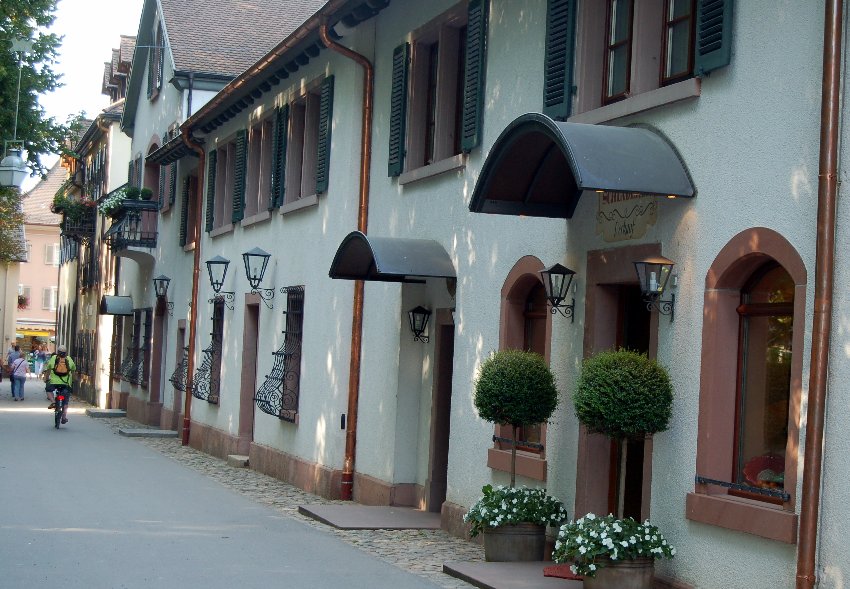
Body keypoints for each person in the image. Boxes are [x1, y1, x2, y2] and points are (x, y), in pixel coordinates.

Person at [44, 345, 75, 424]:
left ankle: (53, 401)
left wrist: (46, 379)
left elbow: (48, 369)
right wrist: (72, 380)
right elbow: (73, 370)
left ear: (58, 352)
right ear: (66, 352)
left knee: (48, 389)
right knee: (65, 401)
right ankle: (64, 417)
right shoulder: (69, 359)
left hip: (54, 382)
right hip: (66, 383)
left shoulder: (54, 358)